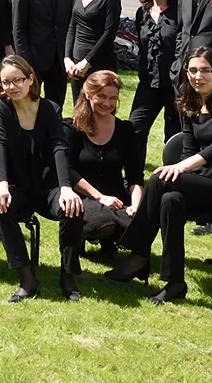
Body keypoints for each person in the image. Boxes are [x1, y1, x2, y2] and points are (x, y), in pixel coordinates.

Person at [108, 47, 212, 302]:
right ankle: (174, 283)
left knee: (160, 178)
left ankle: (138, 254)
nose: (199, 76)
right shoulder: (189, 102)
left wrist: (178, 169)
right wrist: (183, 170)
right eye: (193, 70)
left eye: (205, 70)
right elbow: (188, 150)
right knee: (170, 200)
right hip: (203, 182)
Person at [0, 55, 81, 301]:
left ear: (30, 80)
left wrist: (66, 188)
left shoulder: (50, 108)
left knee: (72, 208)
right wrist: (1, 186)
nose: (11, 87)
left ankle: (68, 276)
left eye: (17, 80)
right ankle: (27, 278)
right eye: (5, 82)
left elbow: (59, 148)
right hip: (18, 186)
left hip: (48, 186)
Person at [64, 70, 144, 298]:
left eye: (112, 98)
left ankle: (122, 251)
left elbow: (135, 175)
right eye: (101, 97)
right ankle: (84, 239)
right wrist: (99, 196)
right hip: (85, 195)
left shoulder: (126, 130)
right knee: (105, 221)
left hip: (118, 196)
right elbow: (66, 171)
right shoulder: (71, 128)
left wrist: (136, 205)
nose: (107, 103)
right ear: (88, 95)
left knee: (138, 220)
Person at [12, 0, 74, 107]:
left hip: (59, 61)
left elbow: (69, 25)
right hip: (33, 60)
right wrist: (25, 62)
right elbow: (18, 29)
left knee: (56, 108)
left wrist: (68, 57)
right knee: (30, 107)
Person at [131, 0, 183, 152]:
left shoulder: (181, 11)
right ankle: (134, 179)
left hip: (175, 86)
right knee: (135, 130)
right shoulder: (141, 13)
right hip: (148, 84)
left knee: (174, 136)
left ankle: (172, 180)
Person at [66, 0, 121, 85]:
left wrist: (87, 62)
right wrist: (67, 59)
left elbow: (109, 34)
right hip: (76, 67)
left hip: (99, 65)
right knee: (79, 107)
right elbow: (72, 28)